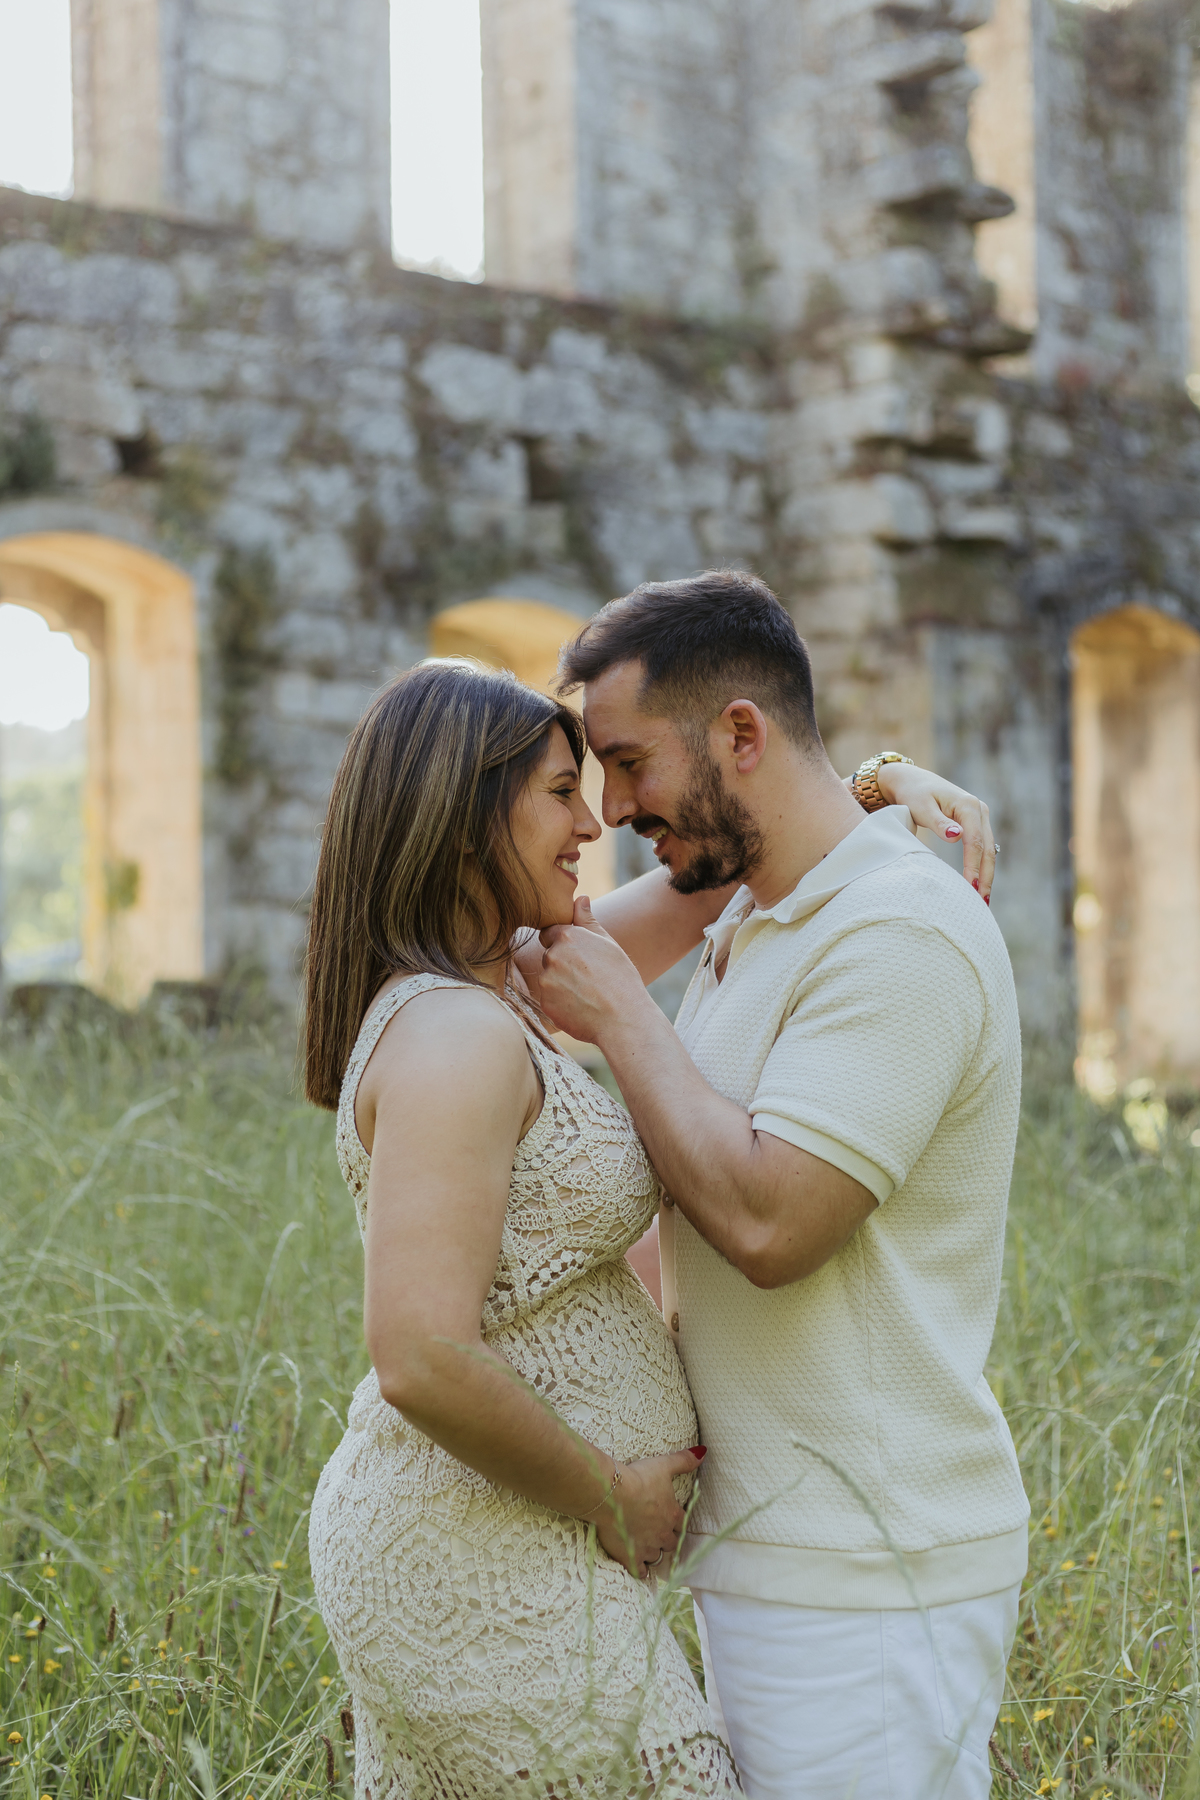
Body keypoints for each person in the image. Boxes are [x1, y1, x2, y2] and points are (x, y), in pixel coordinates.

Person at [303, 654, 998, 1798]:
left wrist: (870, 789)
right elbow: (420, 1355)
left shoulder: (509, 984)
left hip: (519, 1545)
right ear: (466, 813)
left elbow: (712, 868)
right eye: (559, 793)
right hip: (472, 1554)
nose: (595, 823)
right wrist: (608, 1496)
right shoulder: (456, 1036)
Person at [535, 570, 1029, 1800]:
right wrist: (860, 788)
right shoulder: (761, 909)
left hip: (872, 1574)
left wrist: (626, 1026)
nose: (612, 808)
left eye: (630, 762)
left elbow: (772, 1221)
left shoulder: (899, 931)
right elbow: (530, 959)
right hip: (777, 1557)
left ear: (741, 734)